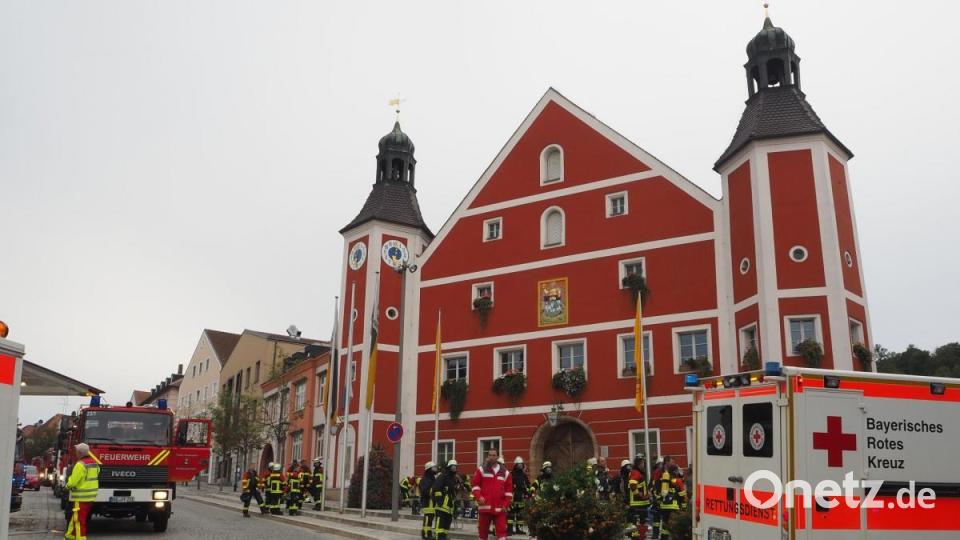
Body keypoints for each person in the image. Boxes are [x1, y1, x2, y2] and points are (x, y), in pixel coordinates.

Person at [471, 449, 513, 540]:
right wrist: (479, 497)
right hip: (485, 506)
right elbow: (475, 486)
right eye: (490, 455)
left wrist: (505, 505)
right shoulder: (481, 470)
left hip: (500, 508)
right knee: (482, 533)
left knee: (502, 533)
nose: (492, 457)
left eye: (494, 455)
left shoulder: (505, 473)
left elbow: (509, 492)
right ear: (487, 456)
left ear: (497, 457)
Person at [65, 443, 99, 540]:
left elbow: (73, 481)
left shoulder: (80, 465)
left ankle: (81, 538)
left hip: (80, 497)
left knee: (79, 520)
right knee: (75, 517)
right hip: (90, 497)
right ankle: (70, 535)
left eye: (76, 451)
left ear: (79, 453)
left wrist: (67, 486)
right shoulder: (94, 463)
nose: (75, 453)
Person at [651, 464, 687, 540]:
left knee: (665, 527)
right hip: (674, 508)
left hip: (664, 508)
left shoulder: (664, 482)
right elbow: (683, 497)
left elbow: (658, 492)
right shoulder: (678, 481)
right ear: (675, 472)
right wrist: (684, 509)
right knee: (675, 528)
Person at [431, 460, 459, 540]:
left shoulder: (453, 478)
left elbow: (453, 492)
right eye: (453, 466)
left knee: (447, 524)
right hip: (441, 506)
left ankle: (444, 537)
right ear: (449, 467)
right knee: (440, 524)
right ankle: (438, 538)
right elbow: (436, 489)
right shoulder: (442, 476)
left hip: (449, 507)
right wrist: (439, 501)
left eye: (455, 467)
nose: (454, 468)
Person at [507, 457, 530, 535]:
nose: (520, 466)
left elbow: (527, 484)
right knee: (511, 514)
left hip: (521, 497)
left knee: (520, 514)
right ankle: (509, 530)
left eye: (521, 464)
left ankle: (519, 529)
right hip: (513, 496)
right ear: (515, 465)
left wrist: (528, 493)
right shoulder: (511, 474)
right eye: (519, 464)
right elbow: (508, 485)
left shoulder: (524, 475)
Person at [420, 461, 438, 539]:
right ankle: (426, 535)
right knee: (427, 518)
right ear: (429, 469)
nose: (436, 469)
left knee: (430, 518)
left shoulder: (432, 478)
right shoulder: (425, 479)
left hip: (432, 501)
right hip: (427, 502)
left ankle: (428, 533)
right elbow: (425, 490)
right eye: (434, 468)